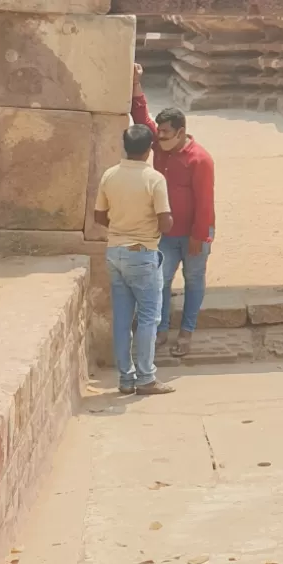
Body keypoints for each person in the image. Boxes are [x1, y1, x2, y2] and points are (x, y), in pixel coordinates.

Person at [131, 66, 216, 357]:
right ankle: (161, 328)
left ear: (181, 132)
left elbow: (205, 201)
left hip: (194, 232)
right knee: (162, 280)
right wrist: (136, 85)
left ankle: (187, 331)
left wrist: (199, 236)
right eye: (160, 132)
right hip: (167, 231)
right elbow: (141, 118)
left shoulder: (200, 159)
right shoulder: (162, 147)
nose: (159, 137)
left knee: (193, 280)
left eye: (165, 133)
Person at [94, 122, 176, 397]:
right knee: (148, 317)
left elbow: (98, 216)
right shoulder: (154, 179)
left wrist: (120, 226)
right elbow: (166, 224)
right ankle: (146, 378)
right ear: (149, 149)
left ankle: (125, 378)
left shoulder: (110, 175)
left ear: (125, 147)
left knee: (122, 317)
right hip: (142, 252)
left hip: (115, 251)